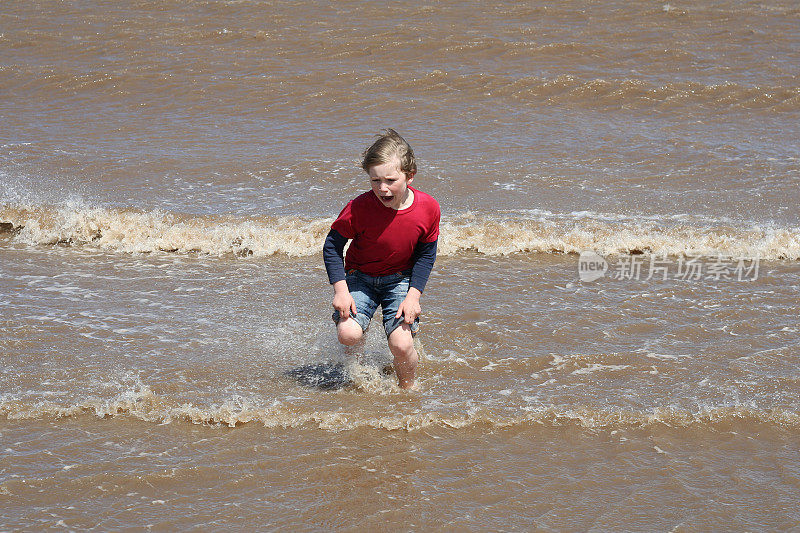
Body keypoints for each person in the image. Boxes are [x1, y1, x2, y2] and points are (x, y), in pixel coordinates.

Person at [323, 129, 440, 390]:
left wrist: (414, 296)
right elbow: (332, 247)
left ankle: (408, 388)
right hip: (359, 277)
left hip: (400, 279)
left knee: (400, 343)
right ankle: (356, 377)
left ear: (410, 176)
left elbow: (426, 254)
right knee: (348, 334)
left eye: (390, 180)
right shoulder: (358, 207)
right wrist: (341, 291)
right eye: (375, 180)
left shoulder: (428, 207)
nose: (382, 188)